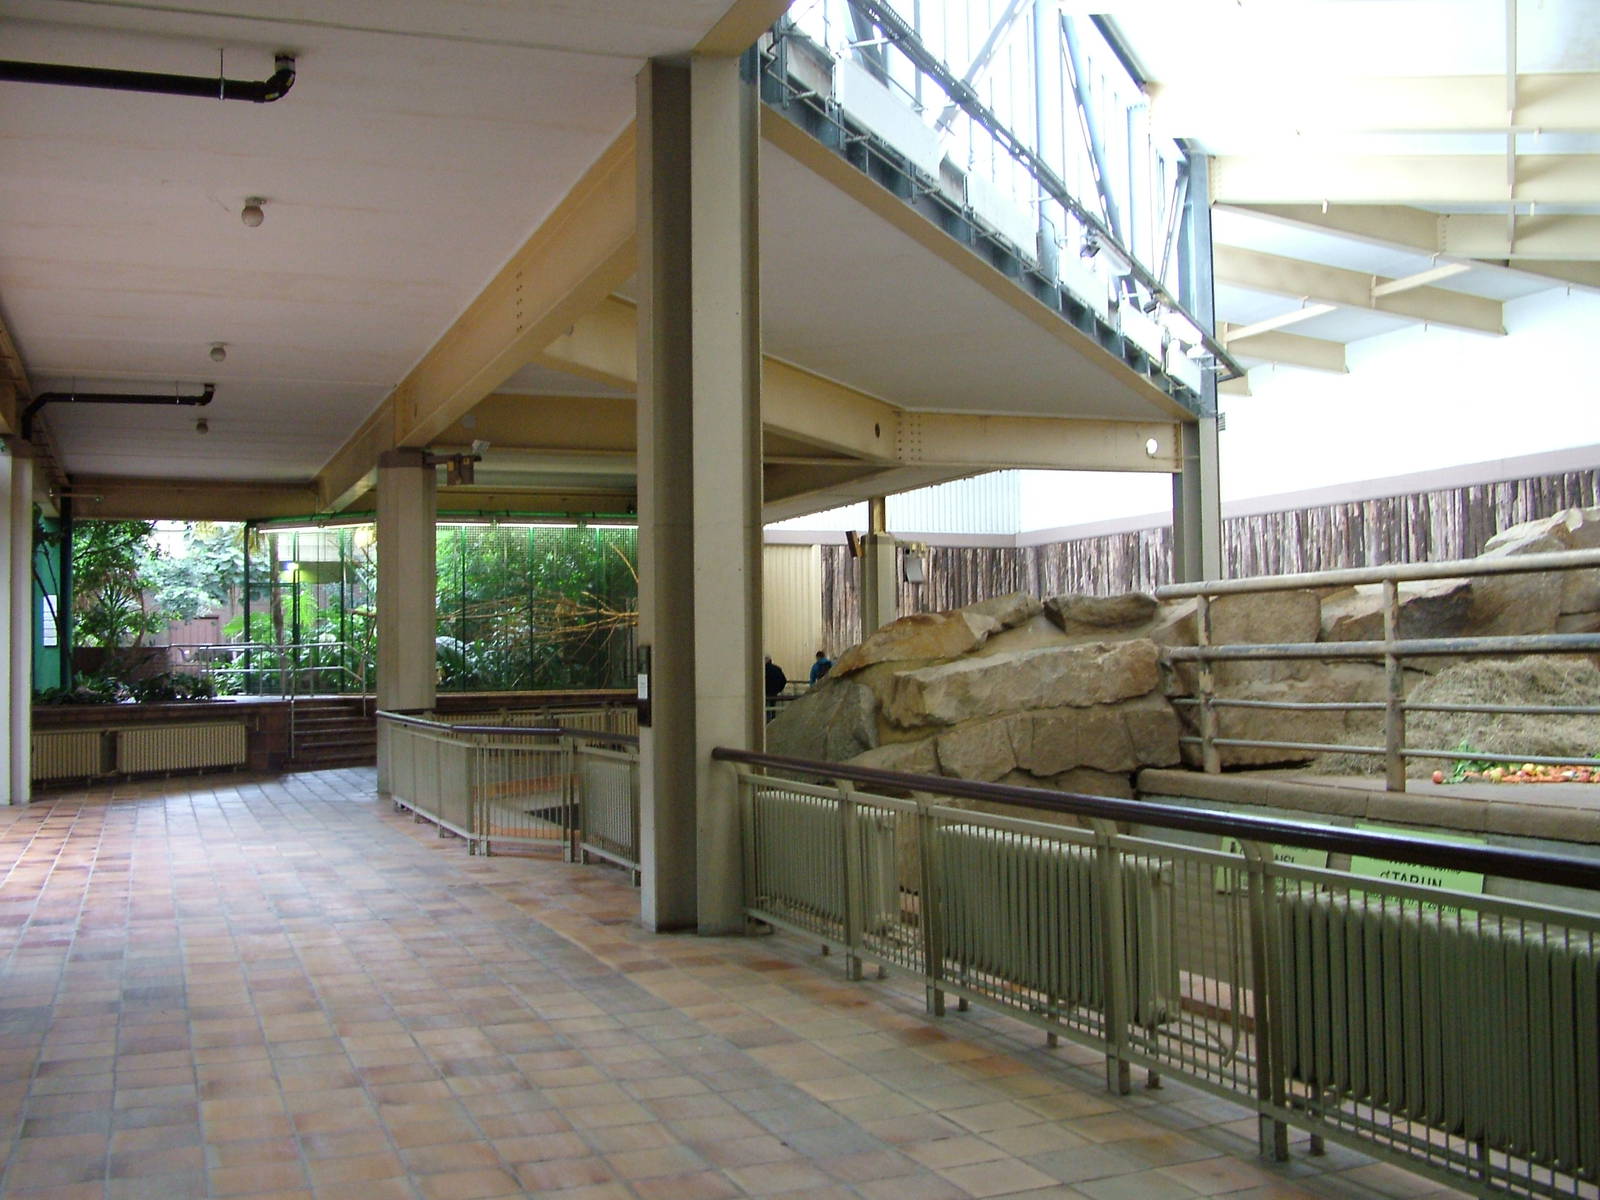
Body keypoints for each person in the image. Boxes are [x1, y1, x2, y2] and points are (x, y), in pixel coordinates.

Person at [763, 655, 787, 721]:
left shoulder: (762, 670)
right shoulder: (777, 669)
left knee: (766, 710)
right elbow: (784, 681)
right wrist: (779, 689)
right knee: (773, 709)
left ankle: (767, 723)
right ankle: (773, 721)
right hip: (774, 693)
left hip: (765, 693)